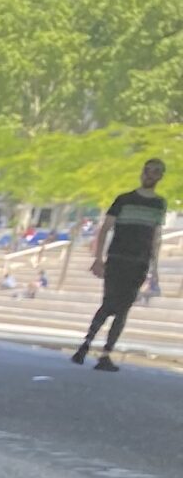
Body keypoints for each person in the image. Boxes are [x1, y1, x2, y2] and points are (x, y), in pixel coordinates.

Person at [73, 157, 166, 371]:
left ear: (160, 176)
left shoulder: (159, 204)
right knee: (109, 303)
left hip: (139, 262)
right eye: (147, 170)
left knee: (123, 308)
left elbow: (156, 236)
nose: (149, 174)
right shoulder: (123, 199)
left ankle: (105, 353)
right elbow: (105, 228)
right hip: (118, 258)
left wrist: (155, 269)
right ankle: (86, 345)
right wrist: (98, 259)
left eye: (154, 171)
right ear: (142, 173)